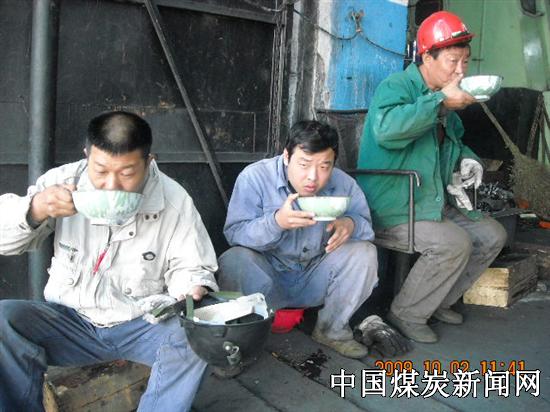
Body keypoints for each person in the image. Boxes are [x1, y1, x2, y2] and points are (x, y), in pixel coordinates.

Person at [0, 111, 218, 411]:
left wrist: (190, 288)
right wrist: (35, 210)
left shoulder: (174, 200)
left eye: (127, 173)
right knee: (4, 319)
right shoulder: (62, 183)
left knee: (197, 336)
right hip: (71, 323)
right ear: (86, 156)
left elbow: (192, 266)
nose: (111, 184)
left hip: (140, 325)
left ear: (149, 162)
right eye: (100, 170)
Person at [356, 11, 507, 343]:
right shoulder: (397, 87)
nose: (461, 71)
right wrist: (439, 102)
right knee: (454, 243)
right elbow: (387, 131)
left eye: (465, 62)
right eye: (453, 61)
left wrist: (468, 160)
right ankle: (407, 313)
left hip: (432, 200)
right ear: (427, 58)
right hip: (394, 204)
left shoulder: (446, 98)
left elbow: (455, 142)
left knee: (492, 235)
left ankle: (438, 301)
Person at [217, 120, 379, 359]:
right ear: (286, 156)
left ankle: (332, 330)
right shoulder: (255, 177)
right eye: (304, 164)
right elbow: (234, 233)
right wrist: (276, 222)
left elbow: (367, 230)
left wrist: (350, 224)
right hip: (266, 279)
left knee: (365, 252)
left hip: (315, 275)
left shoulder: (344, 184)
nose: (313, 177)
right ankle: (236, 342)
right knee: (234, 259)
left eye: (324, 166)